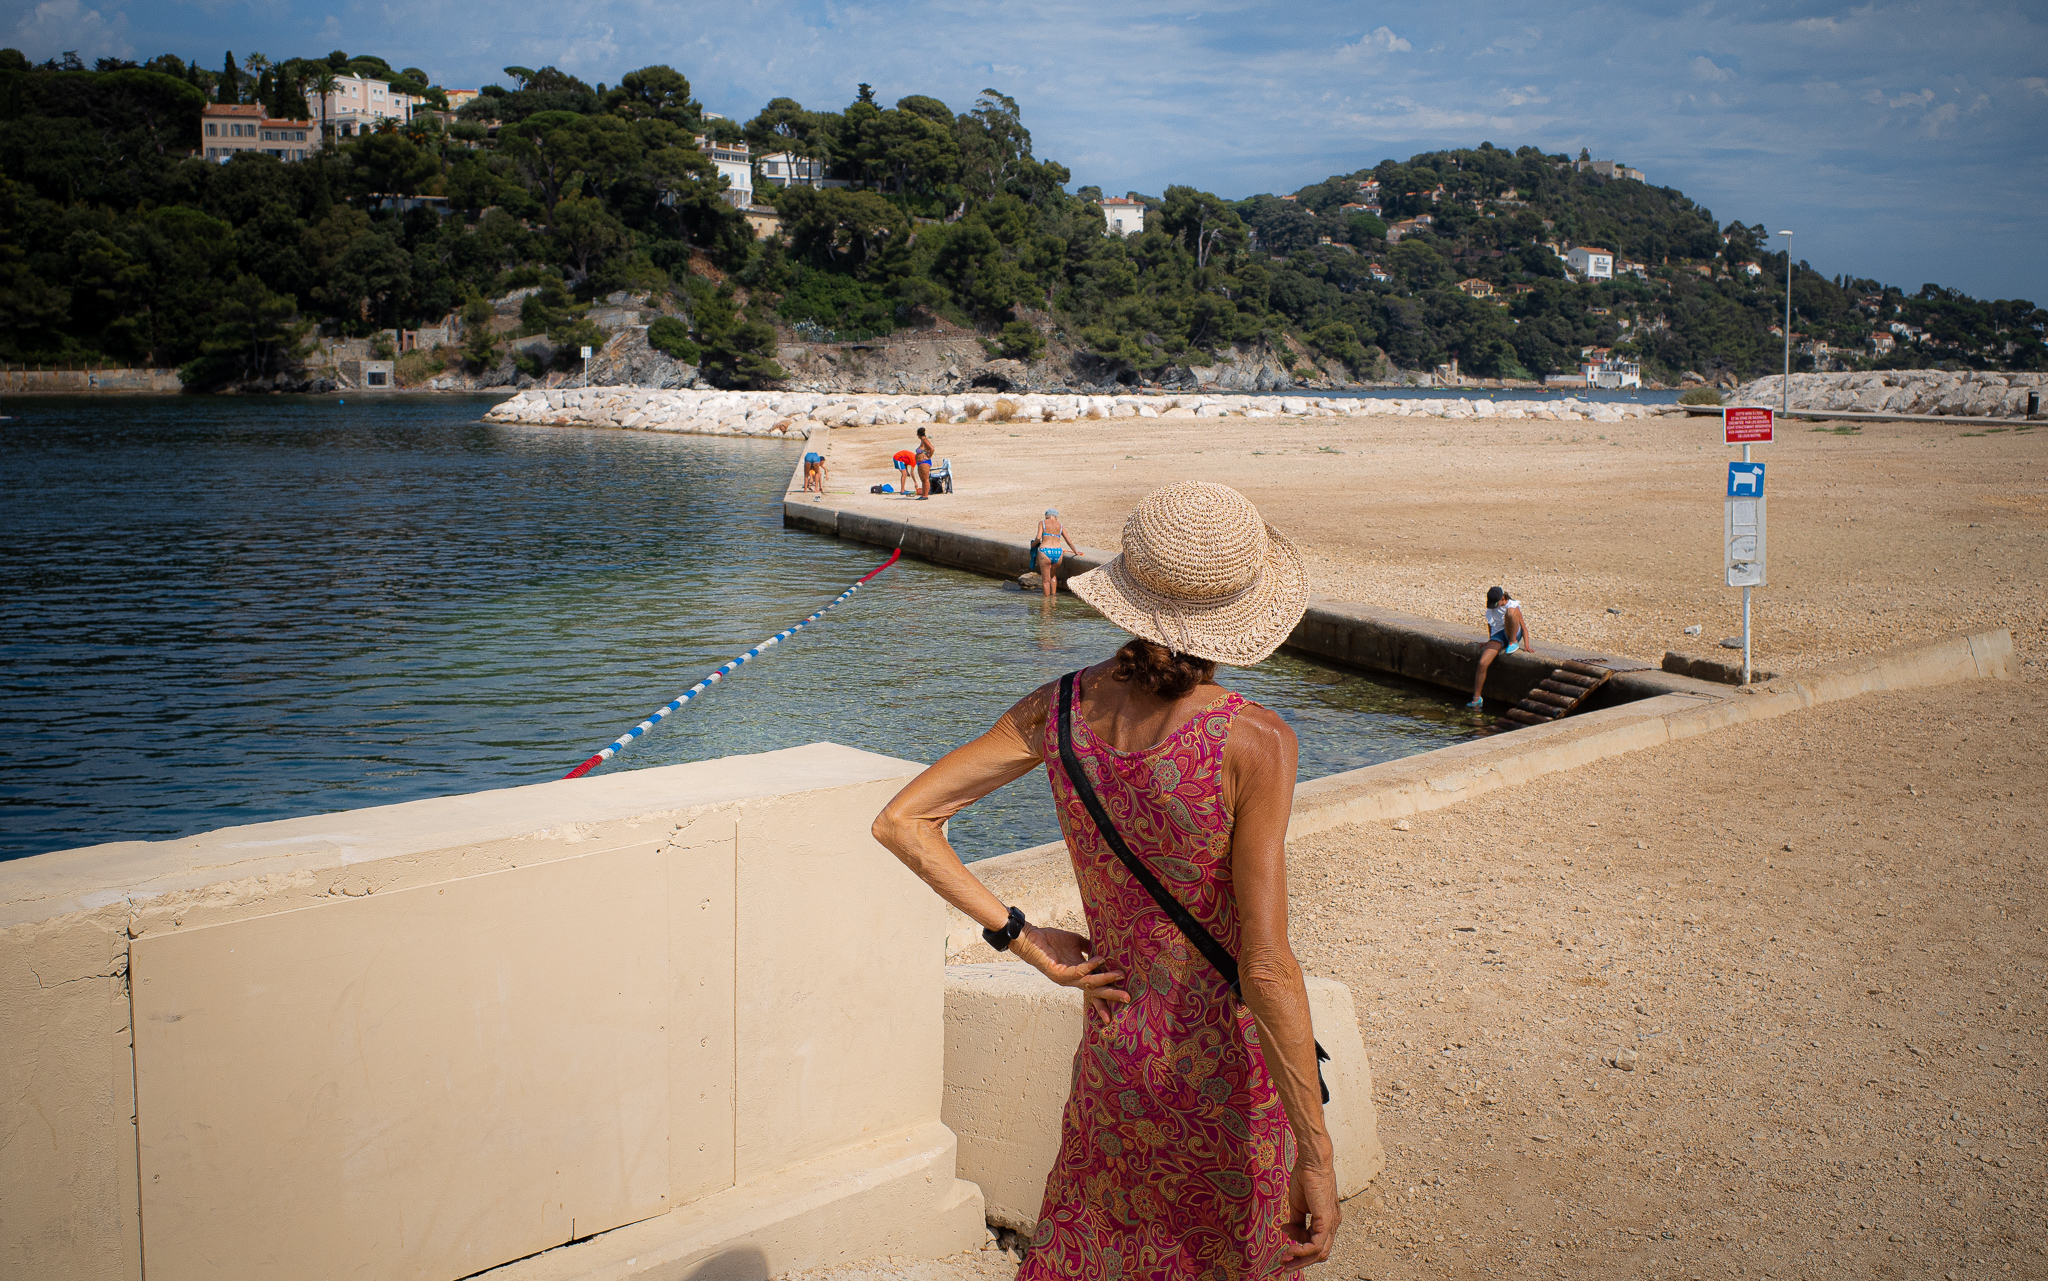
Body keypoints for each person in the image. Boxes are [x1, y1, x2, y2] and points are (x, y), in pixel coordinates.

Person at [873, 482, 1339, 1277]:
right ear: (1235, 613)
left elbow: (904, 820)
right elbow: (1263, 966)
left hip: (1117, 1058)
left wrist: (1026, 939)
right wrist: (1318, 1156)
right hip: (1223, 1070)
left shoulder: (1055, 712)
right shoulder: (1255, 741)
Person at [1468, 585, 1532, 708]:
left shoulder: (1512, 605)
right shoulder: (1491, 608)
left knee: (1510, 612)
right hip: (1498, 634)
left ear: (1503, 598)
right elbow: (1490, 626)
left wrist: (1527, 645)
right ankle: (1476, 699)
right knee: (1482, 663)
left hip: (1512, 632)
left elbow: (1523, 627)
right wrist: (1489, 641)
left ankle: (1513, 642)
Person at [1033, 508, 1072, 600]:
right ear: (1056, 517)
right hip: (1058, 552)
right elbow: (1068, 541)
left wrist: (1033, 544)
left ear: (1047, 516)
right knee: (1053, 576)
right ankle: (1053, 601)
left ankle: (1046, 604)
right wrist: (1075, 551)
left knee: (1046, 581)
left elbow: (1038, 537)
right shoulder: (1060, 525)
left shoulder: (1042, 523)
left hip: (1045, 552)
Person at [914, 426, 935, 500]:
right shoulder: (923, 441)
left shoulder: (925, 440)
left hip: (924, 462)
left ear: (918, 435)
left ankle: (925, 495)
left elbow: (932, 448)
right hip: (920, 463)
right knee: (923, 479)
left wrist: (929, 456)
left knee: (925, 479)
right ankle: (923, 494)